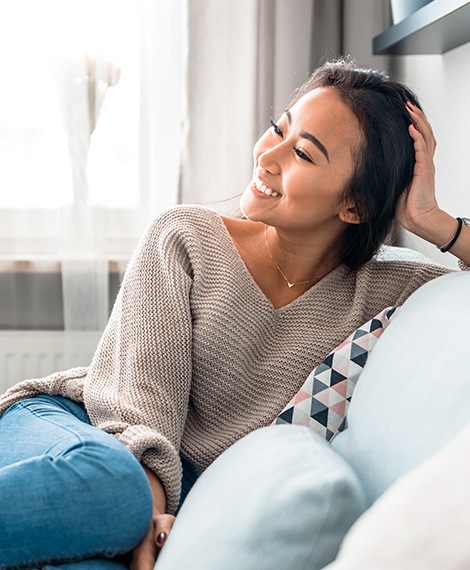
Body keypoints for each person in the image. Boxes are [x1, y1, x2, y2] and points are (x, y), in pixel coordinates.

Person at [0, 58, 469, 569]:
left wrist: (433, 220)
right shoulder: (184, 236)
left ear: (354, 207)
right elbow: (138, 405)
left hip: (145, 496)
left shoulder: (391, 291)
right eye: (278, 129)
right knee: (117, 491)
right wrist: (151, 511)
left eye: (304, 155)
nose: (269, 156)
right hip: (78, 433)